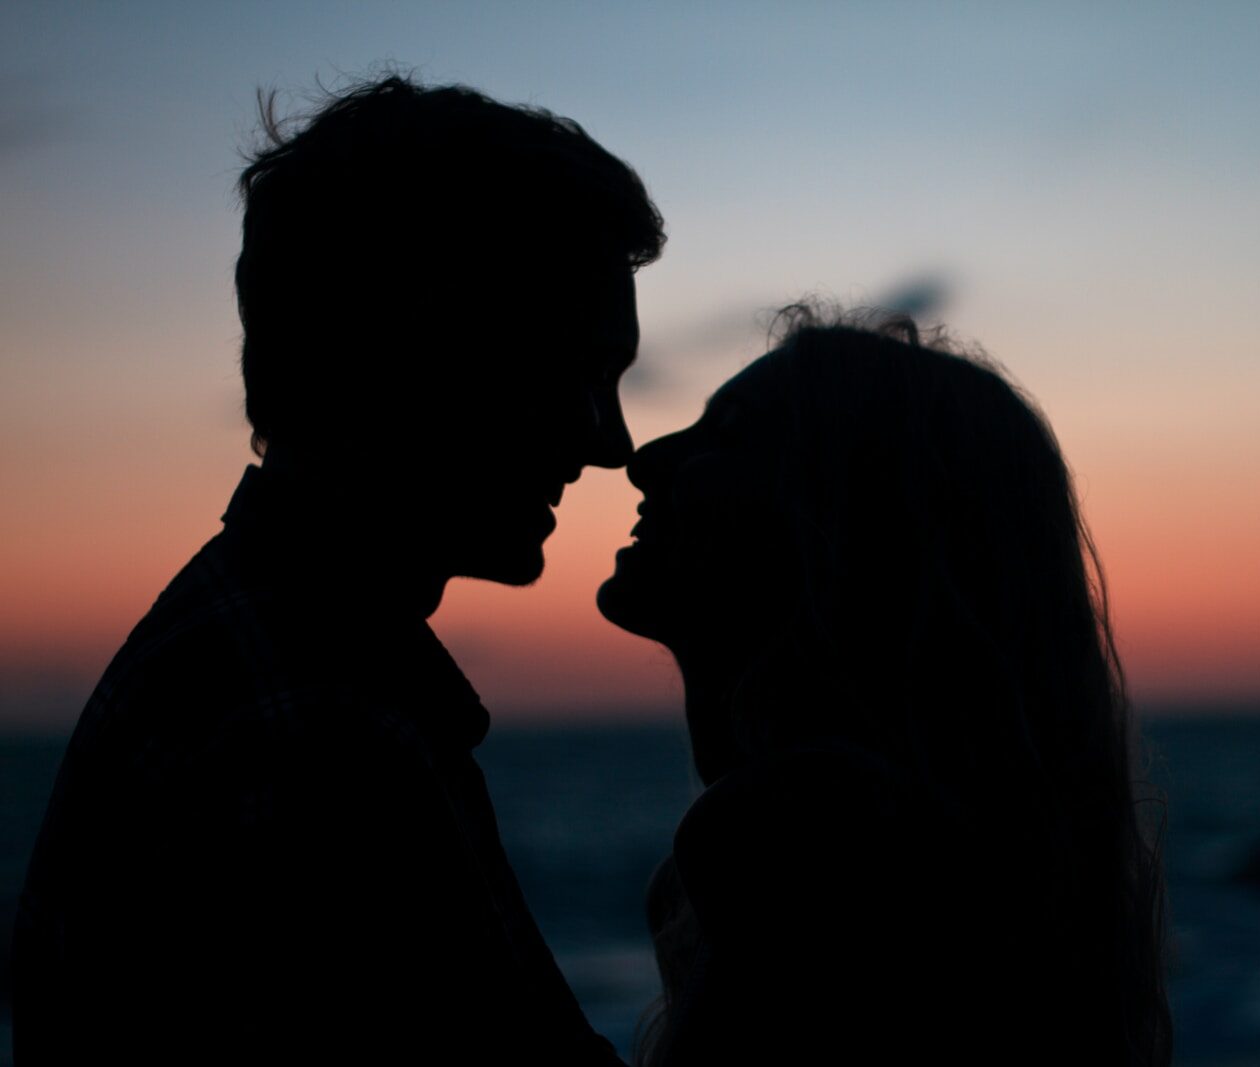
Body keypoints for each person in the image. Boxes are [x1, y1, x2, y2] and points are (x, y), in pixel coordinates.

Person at [13, 74, 663, 1064]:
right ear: (428, 346)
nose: (609, 443)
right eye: (576, 371)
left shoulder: (267, 656)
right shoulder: (316, 732)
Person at [598, 309, 1173, 1066]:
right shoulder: (939, 850)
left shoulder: (808, 832)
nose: (647, 459)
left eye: (728, 435)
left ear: (851, 527)